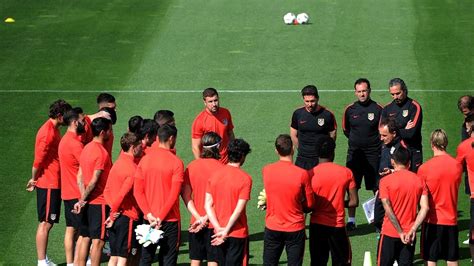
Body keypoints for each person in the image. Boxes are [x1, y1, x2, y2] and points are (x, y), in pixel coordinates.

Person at [26, 99, 72, 266]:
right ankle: (41, 261)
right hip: (48, 183)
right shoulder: (48, 133)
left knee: (49, 222)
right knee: (45, 222)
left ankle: (43, 260)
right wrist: (33, 179)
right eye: (66, 116)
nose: (68, 120)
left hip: (54, 182)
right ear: (59, 116)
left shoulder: (54, 128)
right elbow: (38, 160)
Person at [133, 124, 184, 265]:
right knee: (168, 259)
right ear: (172, 138)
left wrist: (149, 214)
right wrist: (160, 217)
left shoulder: (145, 160)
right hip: (169, 220)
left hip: (149, 220)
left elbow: (138, 191)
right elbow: (174, 195)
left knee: (146, 258)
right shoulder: (177, 163)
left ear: (157, 138)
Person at [262, 134, 313, 265]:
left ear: (276, 151)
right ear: (293, 149)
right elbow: (309, 205)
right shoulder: (302, 174)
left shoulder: (266, 170)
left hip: (272, 226)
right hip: (295, 228)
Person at [309, 136, 358, 266]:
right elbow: (354, 202)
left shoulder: (309, 174)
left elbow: (307, 205)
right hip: (337, 226)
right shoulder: (346, 172)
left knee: (317, 262)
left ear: (316, 152)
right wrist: (340, 203)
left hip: (316, 226)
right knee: (341, 262)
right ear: (333, 152)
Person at [377, 147, 429, 266]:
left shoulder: (385, 181)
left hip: (389, 233)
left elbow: (388, 209)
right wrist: (413, 229)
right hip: (409, 236)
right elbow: (425, 208)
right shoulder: (419, 181)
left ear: (392, 162)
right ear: (409, 163)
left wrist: (400, 232)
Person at [342, 78, 382, 231]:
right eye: (359, 91)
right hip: (355, 155)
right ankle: (351, 220)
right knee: (352, 187)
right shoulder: (350, 109)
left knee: (376, 188)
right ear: (355, 92)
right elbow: (346, 130)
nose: (362, 94)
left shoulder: (378, 109)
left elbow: (382, 130)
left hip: (374, 154)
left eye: (364, 91)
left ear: (369, 91)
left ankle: (377, 220)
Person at [418, 129, 462, 265]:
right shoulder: (457, 166)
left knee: (431, 259)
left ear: (432, 144)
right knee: (452, 259)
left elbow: (421, 196)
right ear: (446, 143)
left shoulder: (424, 169)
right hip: (451, 220)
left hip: (432, 221)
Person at [205, 139, 252, 266]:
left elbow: (208, 204)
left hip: (217, 233)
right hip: (236, 233)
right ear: (242, 156)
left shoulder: (214, 175)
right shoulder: (245, 179)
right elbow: (238, 209)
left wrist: (217, 228)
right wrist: (225, 231)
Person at [74, 117, 113, 266]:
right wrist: (83, 199)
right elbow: (94, 180)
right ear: (103, 132)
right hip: (100, 202)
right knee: (98, 241)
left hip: (87, 201)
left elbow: (80, 176)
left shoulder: (86, 148)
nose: (110, 132)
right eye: (109, 130)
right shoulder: (101, 153)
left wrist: (82, 199)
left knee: (84, 236)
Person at [181, 132, 224, 266]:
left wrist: (199, 218)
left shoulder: (191, 167)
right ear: (218, 147)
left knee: (195, 259)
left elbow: (186, 195)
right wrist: (206, 218)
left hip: (195, 223)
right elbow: (220, 200)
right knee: (213, 260)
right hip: (214, 222)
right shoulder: (222, 169)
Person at [104, 132, 143, 266]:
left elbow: (106, 191)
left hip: (116, 215)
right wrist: (113, 214)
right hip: (126, 217)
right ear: (133, 147)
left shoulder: (117, 164)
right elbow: (122, 194)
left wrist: (112, 211)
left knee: (114, 256)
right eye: (139, 145)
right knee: (123, 257)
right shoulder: (133, 169)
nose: (142, 147)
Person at [58, 109, 85, 266]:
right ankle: (80, 261)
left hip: (67, 191)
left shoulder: (64, 140)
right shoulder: (75, 144)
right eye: (81, 120)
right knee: (81, 230)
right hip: (77, 192)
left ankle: (70, 262)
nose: (83, 123)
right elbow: (86, 167)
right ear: (75, 122)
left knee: (71, 228)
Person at [374, 118, 409, 232]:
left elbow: (407, 170)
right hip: (383, 187)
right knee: (378, 218)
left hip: (395, 189)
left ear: (394, 133)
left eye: (384, 135)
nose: (381, 138)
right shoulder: (384, 145)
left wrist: (392, 172)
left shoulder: (401, 147)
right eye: (381, 135)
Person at [290, 85, 337, 170]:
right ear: (303, 99)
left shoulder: (327, 114)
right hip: (302, 159)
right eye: (307, 101)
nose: (309, 104)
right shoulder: (297, 114)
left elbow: (332, 135)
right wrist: (302, 149)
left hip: (320, 159)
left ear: (318, 98)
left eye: (312, 101)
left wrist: (326, 151)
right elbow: (293, 134)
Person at [381, 78, 423, 172]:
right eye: (392, 94)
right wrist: (404, 129)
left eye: (398, 93)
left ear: (404, 90)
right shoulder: (387, 108)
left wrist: (392, 131)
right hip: (393, 152)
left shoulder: (414, 107)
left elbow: (410, 133)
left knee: (414, 183)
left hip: (412, 152)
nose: (395, 97)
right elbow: (383, 133)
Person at [192, 88, 235, 164]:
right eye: (210, 102)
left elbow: (230, 133)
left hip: (226, 160)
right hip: (210, 162)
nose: (214, 104)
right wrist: (200, 164)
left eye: (215, 100)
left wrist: (233, 153)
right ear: (204, 102)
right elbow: (195, 147)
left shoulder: (225, 113)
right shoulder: (199, 121)